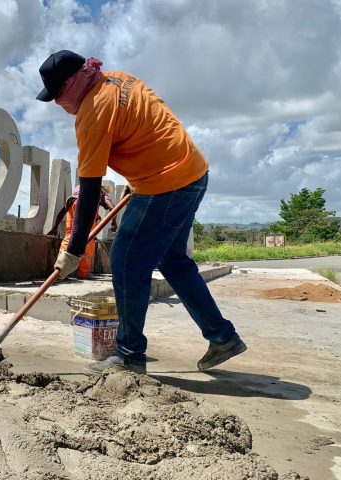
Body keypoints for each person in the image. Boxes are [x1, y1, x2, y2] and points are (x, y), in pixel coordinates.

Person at [36, 50, 246, 375]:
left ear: (70, 84)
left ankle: (129, 354)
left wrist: (74, 250)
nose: (58, 103)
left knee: (125, 259)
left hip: (166, 183)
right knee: (174, 261)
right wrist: (137, 178)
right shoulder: (117, 79)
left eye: (57, 95)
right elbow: (147, 129)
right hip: (193, 172)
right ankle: (222, 337)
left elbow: (89, 190)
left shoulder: (92, 113)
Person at [47, 185, 117, 279]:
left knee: (70, 236)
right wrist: (114, 223)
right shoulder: (101, 191)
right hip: (88, 207)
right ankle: (83, 273)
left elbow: (63, 211)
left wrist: (55, 227)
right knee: (88, 240)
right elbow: (113, 208)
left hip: (73, 206)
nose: (103, 207)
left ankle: (60, 271)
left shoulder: (80, 187)